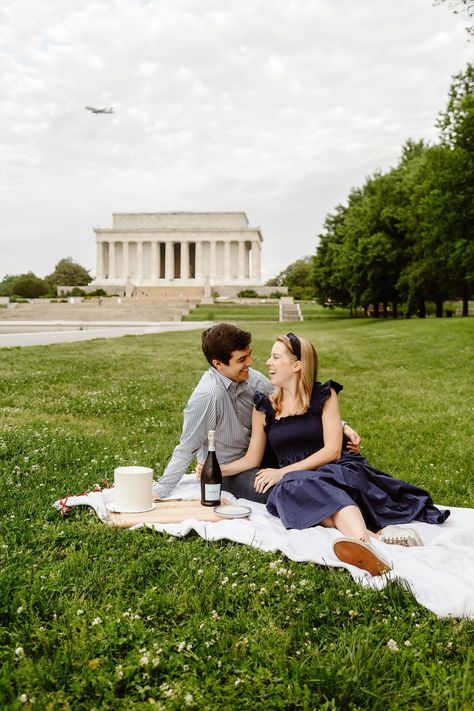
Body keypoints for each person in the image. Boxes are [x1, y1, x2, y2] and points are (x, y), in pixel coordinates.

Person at [218, 332, 450, 576]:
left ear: (297, 365)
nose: (268, 362)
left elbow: (331, 450)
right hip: (295, 481)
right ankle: (376, 540)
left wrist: (281, 472)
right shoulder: (264, 408)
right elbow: (252, 460)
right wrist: (216, 469)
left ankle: (364, 543)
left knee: (312, 487)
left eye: (276, 357)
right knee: (293, 488)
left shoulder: (325, 396)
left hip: (332, 469)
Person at [154, 323, 361, 503]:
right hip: (232, 470)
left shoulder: (253, 379)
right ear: (218, 364)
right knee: (285, 490)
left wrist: (341, 425)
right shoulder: (207, 397)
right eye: (242, 359)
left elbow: (291, 405)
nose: (250, 363)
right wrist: (160, 491)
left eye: (249, 355)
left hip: (265, 457)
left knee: (314, 474)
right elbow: (186, 448)